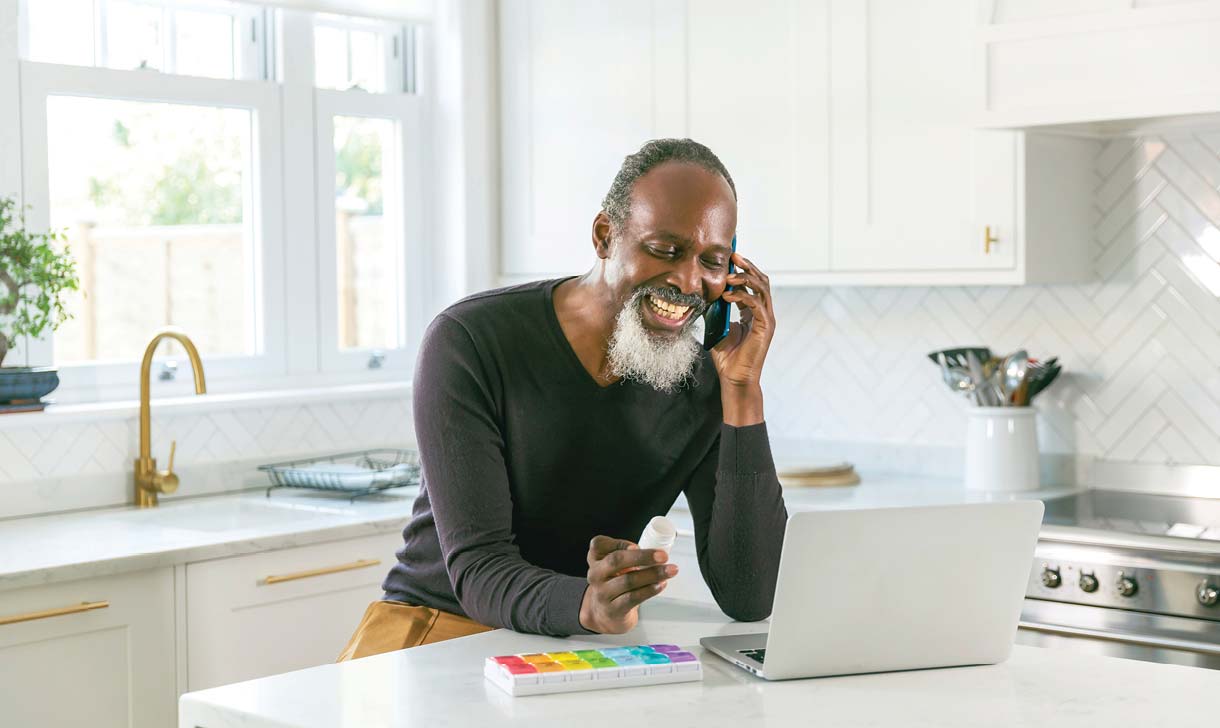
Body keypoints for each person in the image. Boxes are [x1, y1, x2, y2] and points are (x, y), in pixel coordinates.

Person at [338, 138, 787, 661]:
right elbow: (478, 567)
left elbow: (750, 595)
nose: (690, 280)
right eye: (665, 250)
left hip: (572, 642)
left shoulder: (705, 383)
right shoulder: (471, 340)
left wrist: (742, 391)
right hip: (436, 629)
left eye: (712, 260)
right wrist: (586, 605)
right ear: (604, 236)